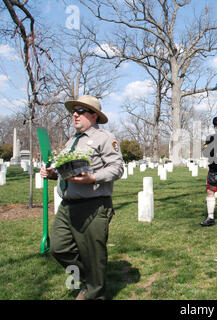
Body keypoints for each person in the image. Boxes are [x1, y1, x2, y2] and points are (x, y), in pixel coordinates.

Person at [40, 95, 124, 300]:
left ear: (94, 115)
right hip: (67, 205)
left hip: (93, 205)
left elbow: (117, 168)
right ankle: (91, 279)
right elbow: (67, 171)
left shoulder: (105, 137)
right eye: (73, 112)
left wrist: (93, 177)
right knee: (59, 248)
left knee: (92, 254)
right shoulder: (71, 141)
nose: (75, 115)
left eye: (80, 111)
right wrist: (53, 174)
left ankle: (94, 293)